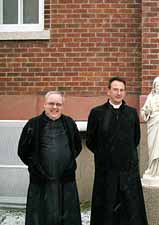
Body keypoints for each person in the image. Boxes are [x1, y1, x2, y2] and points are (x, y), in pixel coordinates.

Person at [86, 77, 148, 225]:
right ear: (108, 91)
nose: (118, 93)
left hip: (128, 171)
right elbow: (90, 141)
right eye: (115, 89)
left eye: (122, 90)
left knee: (130, 211)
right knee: (106, 209)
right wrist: (105, 155)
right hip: (106, 172)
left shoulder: (131, 113)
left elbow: (136, 139)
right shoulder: (97, 113)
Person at [18, 91, 82, 225]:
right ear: (44, 104)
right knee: (41, 216)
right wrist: (35, 167)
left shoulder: (69, 123)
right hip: (41, 180)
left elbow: (76, 147)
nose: (55, 107)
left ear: (62, 106)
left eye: (58, 104)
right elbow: (22, 151)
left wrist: (66, 164)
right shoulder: (33, 124)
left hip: (65, 180)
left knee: (67, 216)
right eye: (51, 104)